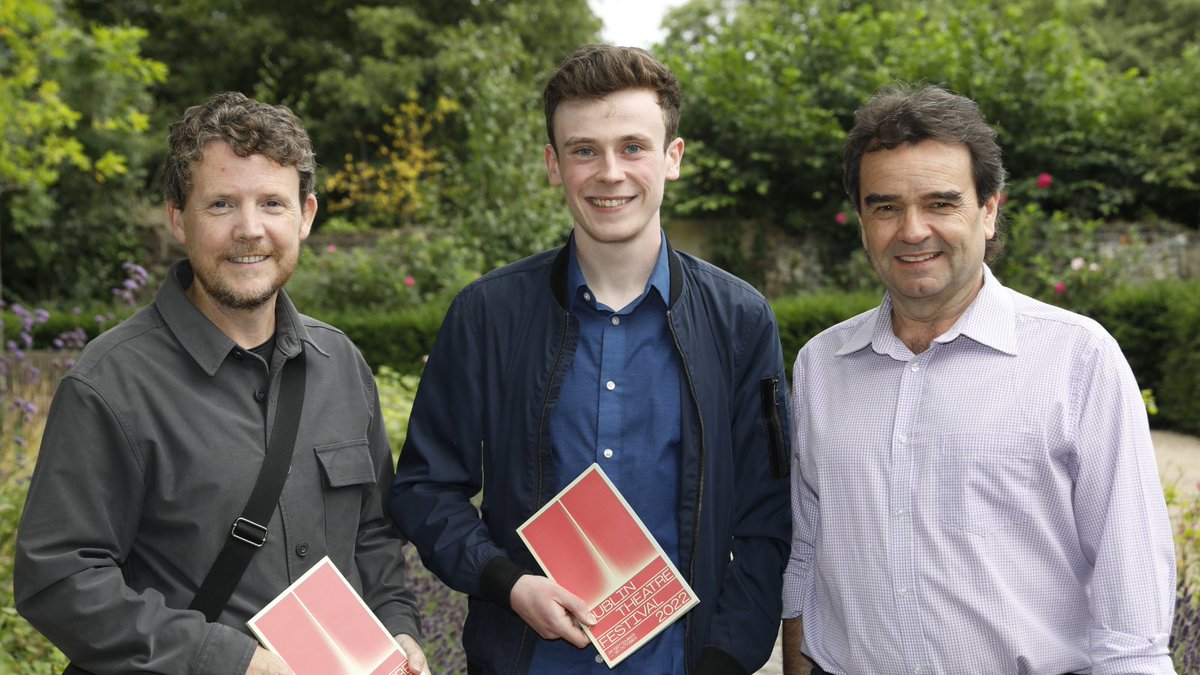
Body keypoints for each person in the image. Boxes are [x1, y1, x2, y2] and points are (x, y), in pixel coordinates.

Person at [390, 43, 792, 674]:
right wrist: (506, 582)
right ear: (555, 165)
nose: (610, 172)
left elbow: (766, 520)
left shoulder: (740, 320)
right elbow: (424, 489)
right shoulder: (487, 315)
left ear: (672, 158)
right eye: (584, 150)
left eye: (633, 146)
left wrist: (722, 661)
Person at [14, 91, 429, 675]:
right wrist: (231, 662)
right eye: (221, 205)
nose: (250, 229)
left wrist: (398, 627)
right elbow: (58, 580)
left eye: (272, 204)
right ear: (178, 218)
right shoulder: (111, 384)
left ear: (306, 216)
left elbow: (373, 534)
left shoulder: (340, 363)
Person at [782, 83, 1176, 675]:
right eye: (885, 206)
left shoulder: (1078, 360)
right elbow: (805, 559)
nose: (912, 230)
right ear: (861, 219)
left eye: (941, 204)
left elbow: (1132, 613)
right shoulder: (821, 366)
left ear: (989, 210)